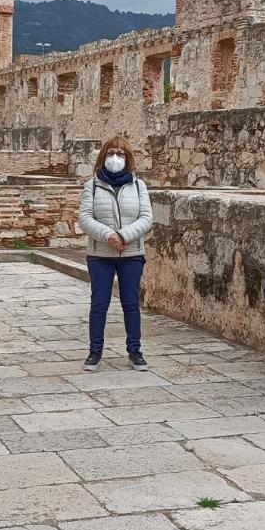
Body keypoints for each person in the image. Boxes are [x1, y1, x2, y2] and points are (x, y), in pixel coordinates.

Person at [77, 136, 153, 372]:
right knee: (99, 304)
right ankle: (95, 351)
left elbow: (147, 218)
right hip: (101, 254)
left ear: (128, 158)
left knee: (131, 304)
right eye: (111, 153)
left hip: (131, 253)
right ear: (103, 156)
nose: (115, 158)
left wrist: (124, 236)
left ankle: (134, 350)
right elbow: (85, 218)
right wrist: (109, 236)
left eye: (120, 153)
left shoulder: (138, 186)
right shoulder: (92, 185)